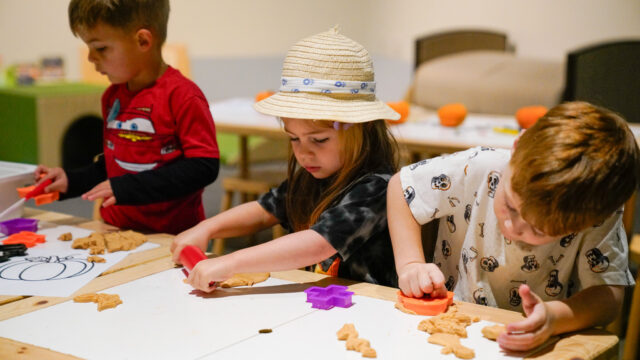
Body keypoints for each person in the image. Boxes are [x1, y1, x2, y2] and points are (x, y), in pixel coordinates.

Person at [387, 101, 640, 351]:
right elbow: (401, 187)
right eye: (510, 204)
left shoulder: (595, 211)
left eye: (539, 230)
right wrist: (411, 265)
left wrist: (555, 317)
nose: (512, 226)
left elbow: (609, 299)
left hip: (542, 345)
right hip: (453, 326)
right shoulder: (482, 166)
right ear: (516, 148)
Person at [170, 27, 400, 290]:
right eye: (294, 138)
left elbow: (317, 244)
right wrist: (207, 228)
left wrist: (231, 262)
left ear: (363, 128)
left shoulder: (378, 188)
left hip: (370, 308)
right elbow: (265, 210)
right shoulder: (315, 175)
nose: (303, 152)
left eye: (319, 139)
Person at [35, 0, 219, 234]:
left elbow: (203, 167)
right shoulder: (112, 97)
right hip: (114, 229)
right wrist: (70, 181)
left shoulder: (183, 96)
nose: (91, 57)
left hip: (171, 235)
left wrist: (127, 188)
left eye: (100, 48)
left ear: (142, 41)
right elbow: (114, 165)